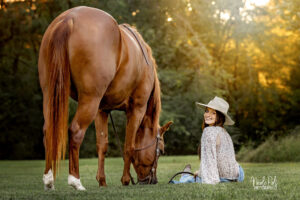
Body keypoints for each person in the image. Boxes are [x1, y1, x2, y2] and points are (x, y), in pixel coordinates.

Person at [171, 96, 244, 184]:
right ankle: (188, 175)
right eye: (207, 111)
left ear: (220, 116)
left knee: (192, 179)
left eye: (213, 113)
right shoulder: (224, 132)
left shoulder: (209, 131)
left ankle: (185, 176)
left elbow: (210, 163)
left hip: (222, 177)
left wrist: (200, 174)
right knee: (199, 175)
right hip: (238, 174)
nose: (208, 115)